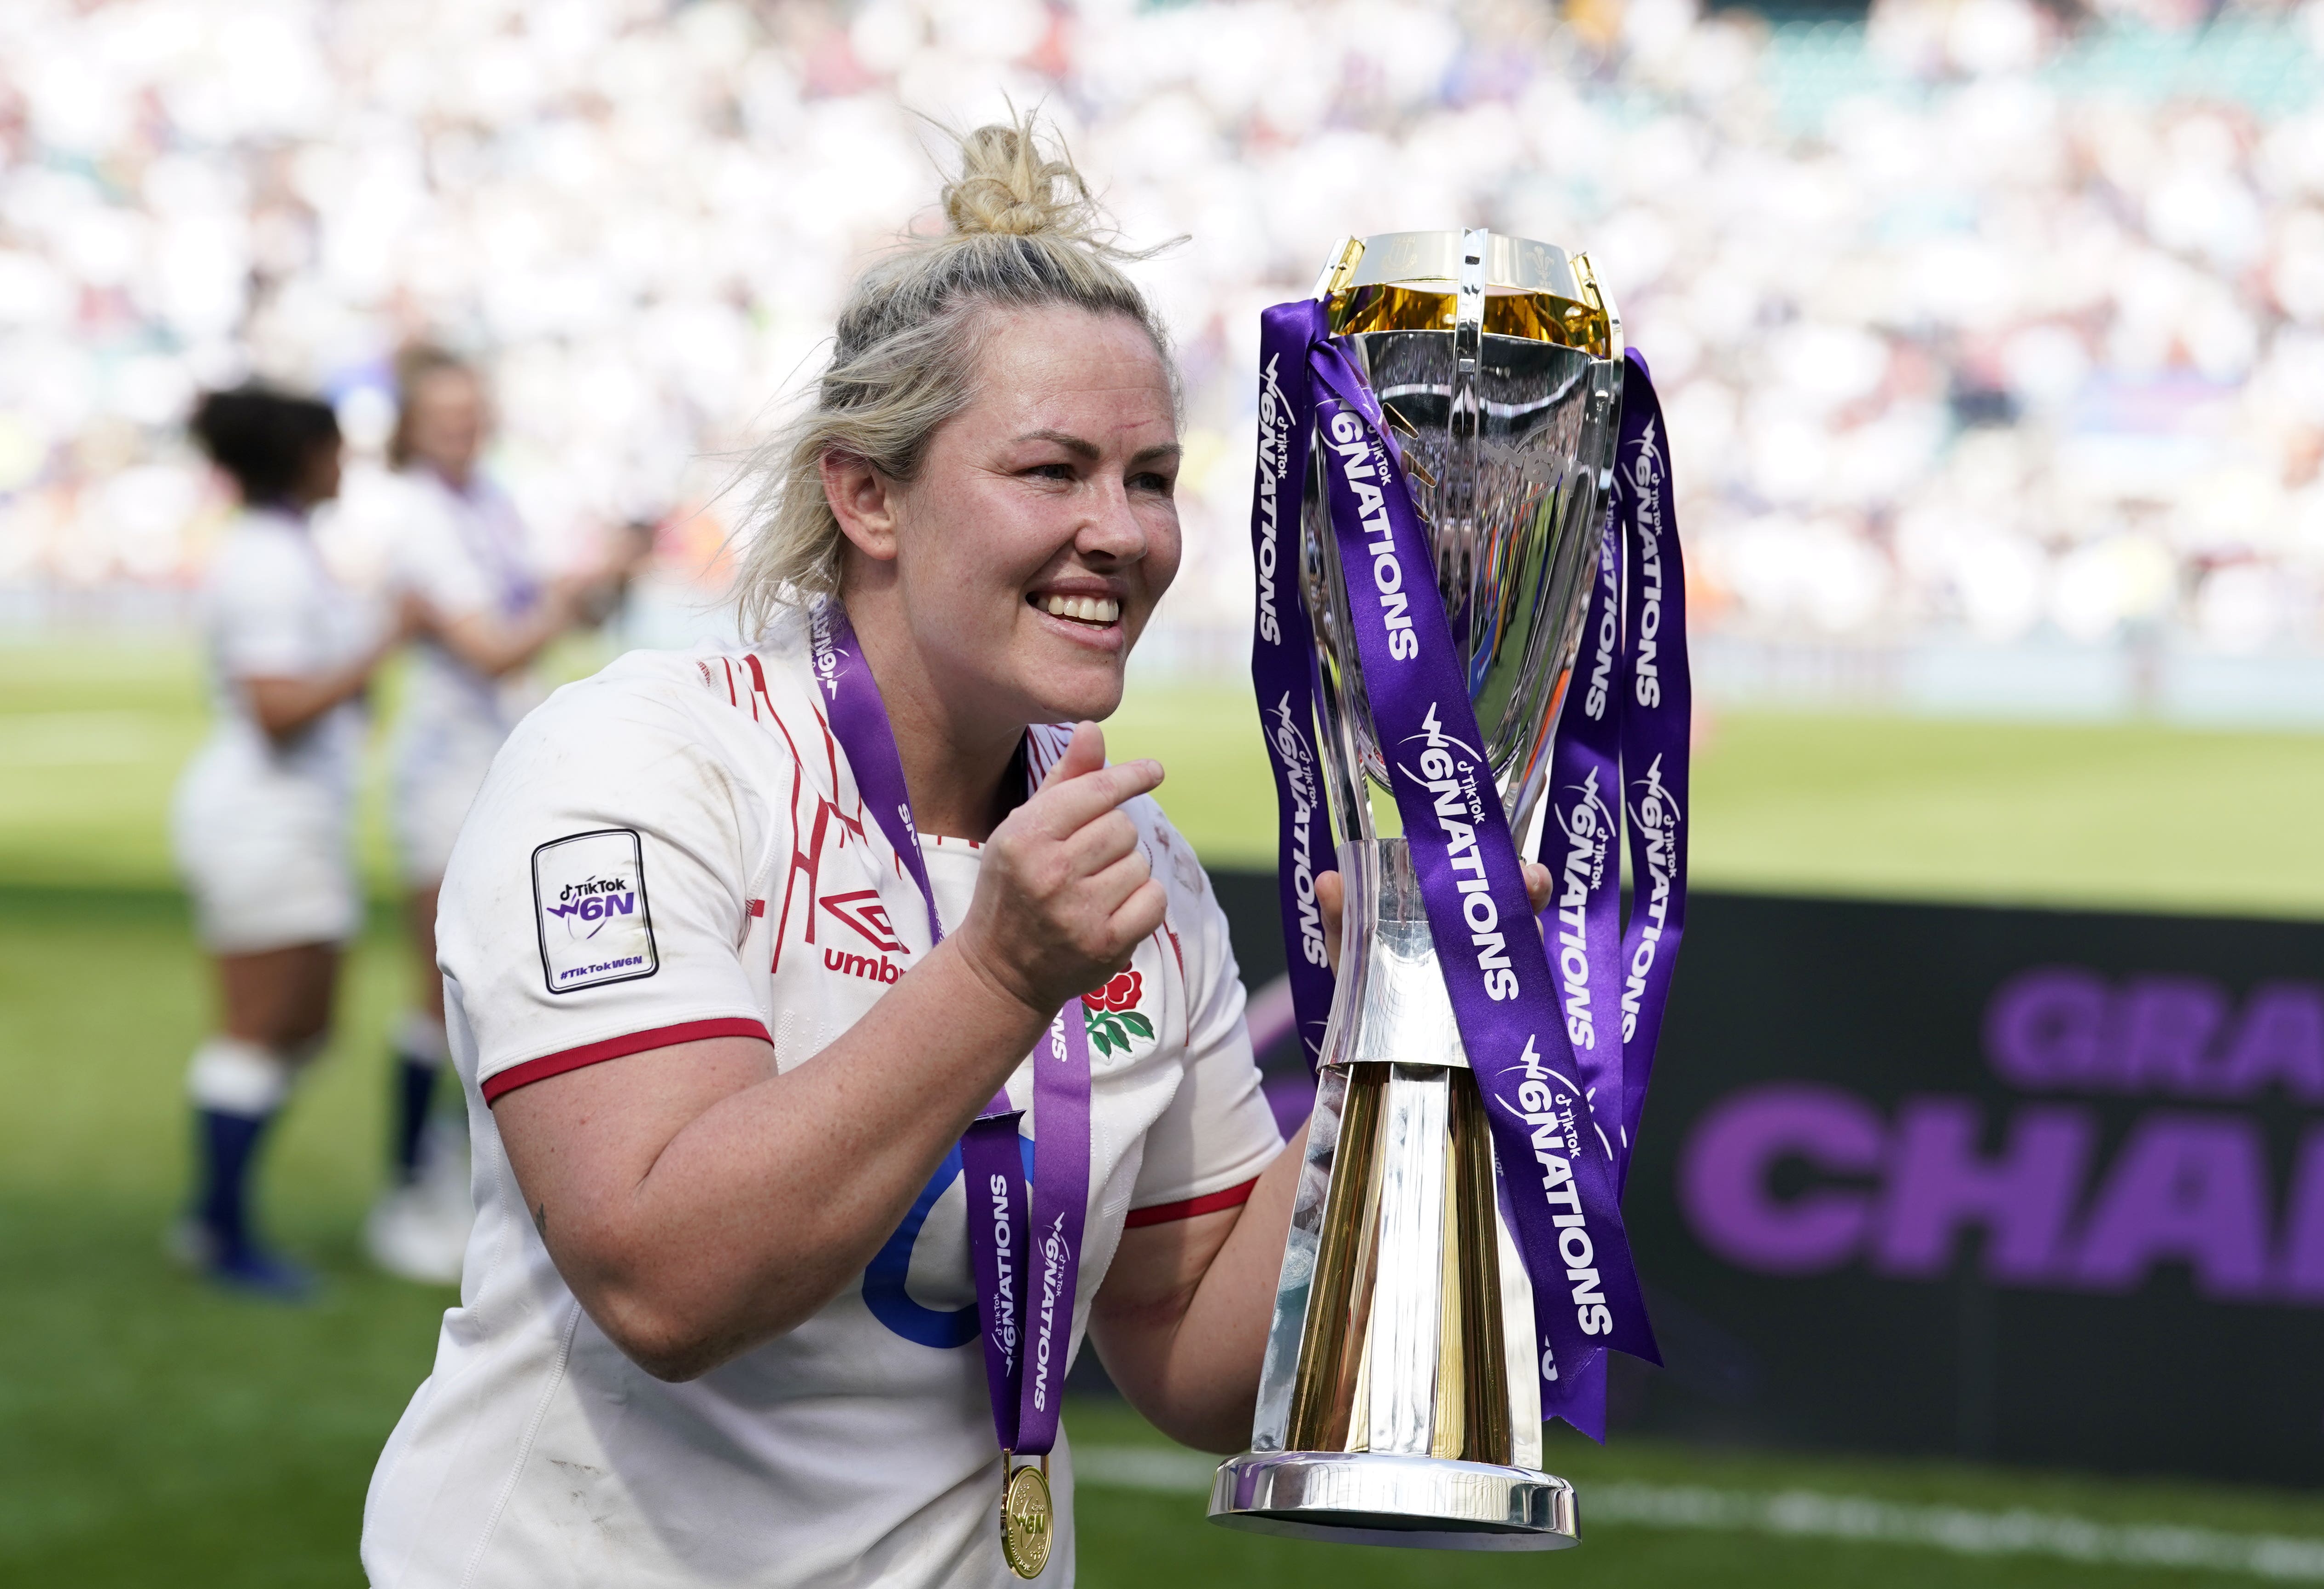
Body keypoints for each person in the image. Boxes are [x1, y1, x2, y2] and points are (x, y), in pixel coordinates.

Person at [362, 119, 1547, 1585]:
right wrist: (999, 971)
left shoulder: (1137, 866)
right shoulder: (639, 763)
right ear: (868, 496)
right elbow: (662, 1280)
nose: (1119, 532)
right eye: (1052, 470)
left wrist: (1404, 1024)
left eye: (1152, 476)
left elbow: (1190, 1359)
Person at [362, 345, 639, 1286]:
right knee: (434, 990)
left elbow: (532, 623)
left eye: (472, 411)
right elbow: (488, 647)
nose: (463, 428)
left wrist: (603, 577)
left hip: (498, 766)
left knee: (493, 988)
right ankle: (406, 1189)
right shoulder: (415, 520)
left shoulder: (487, 503)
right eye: (444, 415)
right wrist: (567, 595)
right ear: (409, 424)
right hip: (443, 774)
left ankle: (462, 1178)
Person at [169, 386, 414, 1297]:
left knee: (303, 1026)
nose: (346, 463)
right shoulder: (266, 561)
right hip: (262, 816)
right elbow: (275, 708)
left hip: (295, 815)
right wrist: (382, 646)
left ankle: (216, 1215)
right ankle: (220, 1230)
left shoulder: (285, 548)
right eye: (335, 448)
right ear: (303, 455)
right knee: (260, 1027)